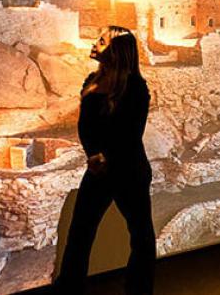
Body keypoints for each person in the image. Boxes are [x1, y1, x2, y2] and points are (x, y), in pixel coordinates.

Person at [54, 26, 156, 295]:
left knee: (141, 237)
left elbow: (132, 131)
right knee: (79, 235)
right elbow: (85, 126)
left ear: (116, 50)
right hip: (99, 170)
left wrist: (105, 156)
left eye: (101, 41)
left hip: (128, 170)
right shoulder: (91, 81)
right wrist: (92, 154)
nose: (95, 44)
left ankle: (139, 290)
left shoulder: (135, 87)